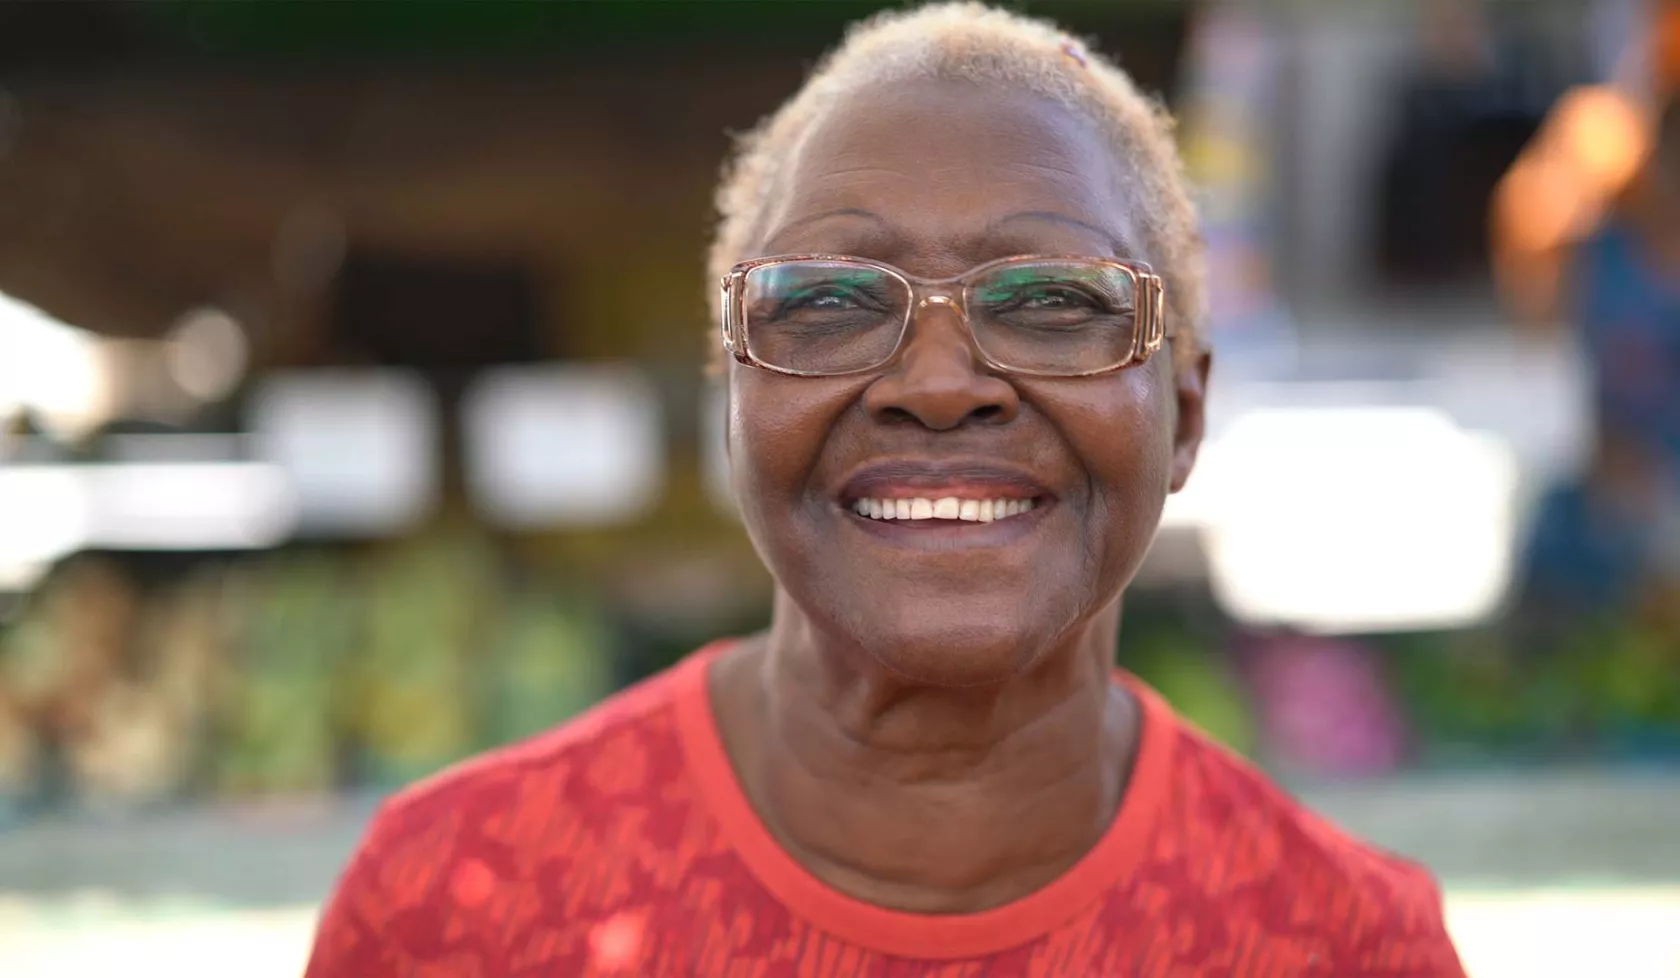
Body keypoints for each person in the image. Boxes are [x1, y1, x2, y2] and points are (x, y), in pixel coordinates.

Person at [304, 5, 1467, 974]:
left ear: (1186, 418)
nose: (939, 383)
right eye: (828, 303)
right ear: (734, 400)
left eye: (1055, 302)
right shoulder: (452, 909)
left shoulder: (1346, 944)